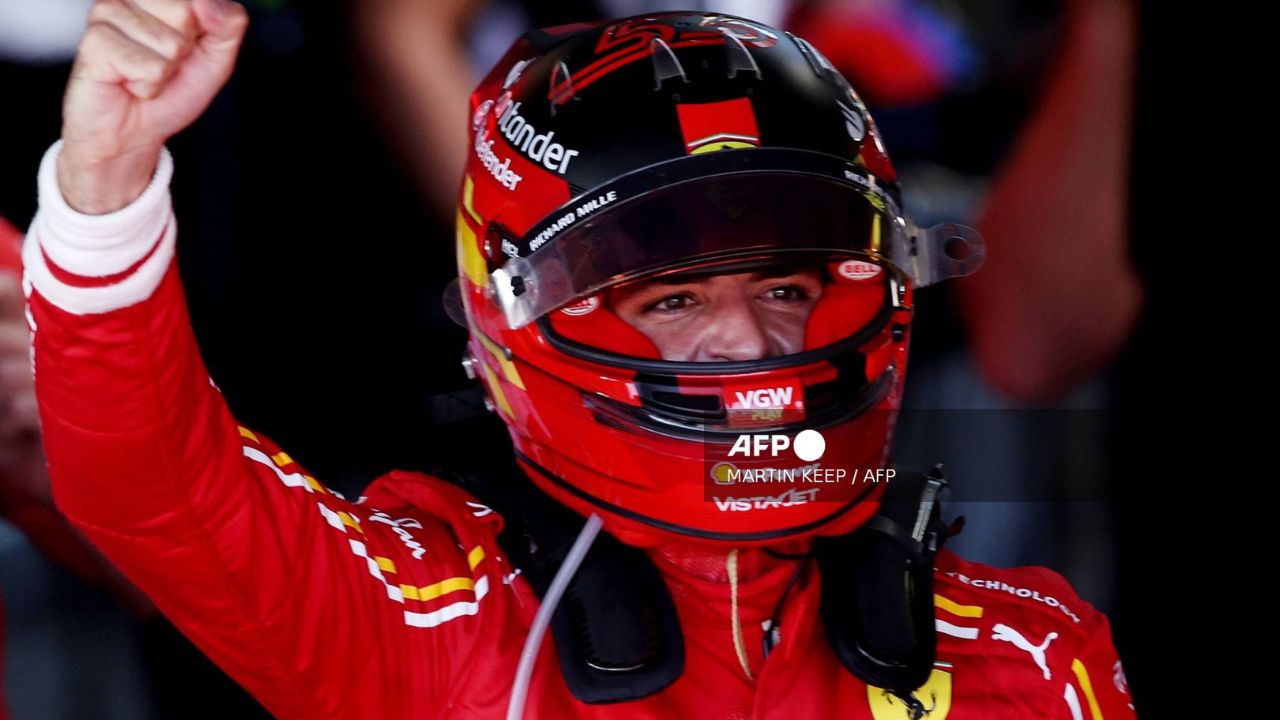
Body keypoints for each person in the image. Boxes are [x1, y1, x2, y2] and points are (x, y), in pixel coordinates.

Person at [27, 1, 1136, 717]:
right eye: (673, 299)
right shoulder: (437, 635)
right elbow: (160, 496)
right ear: (504, 325)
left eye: (786, 289)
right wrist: (107, 189)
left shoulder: (1030, 657)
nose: (746, 344)